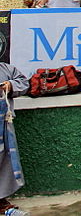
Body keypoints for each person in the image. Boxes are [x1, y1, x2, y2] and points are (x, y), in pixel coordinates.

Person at [0, 58, 30, 212]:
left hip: (3, 124)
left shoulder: (6, 69)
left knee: (3, 161)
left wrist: (10, 86)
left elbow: (24, 83)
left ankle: (0, 199)